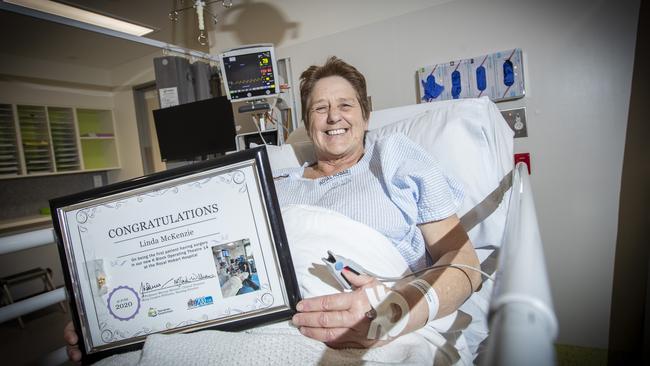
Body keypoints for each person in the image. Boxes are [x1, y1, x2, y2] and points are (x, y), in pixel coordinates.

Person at [64, 56, 481, 361]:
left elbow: (465, 265)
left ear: (366, 116)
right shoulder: (272, 184)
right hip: (257, 320)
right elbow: (219, 268)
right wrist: (112, 323)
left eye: (346, 104)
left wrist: (392, 313)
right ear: (308, 121)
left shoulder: (394, 157)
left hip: (365, 322)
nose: (333, 115)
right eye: (320, 107)